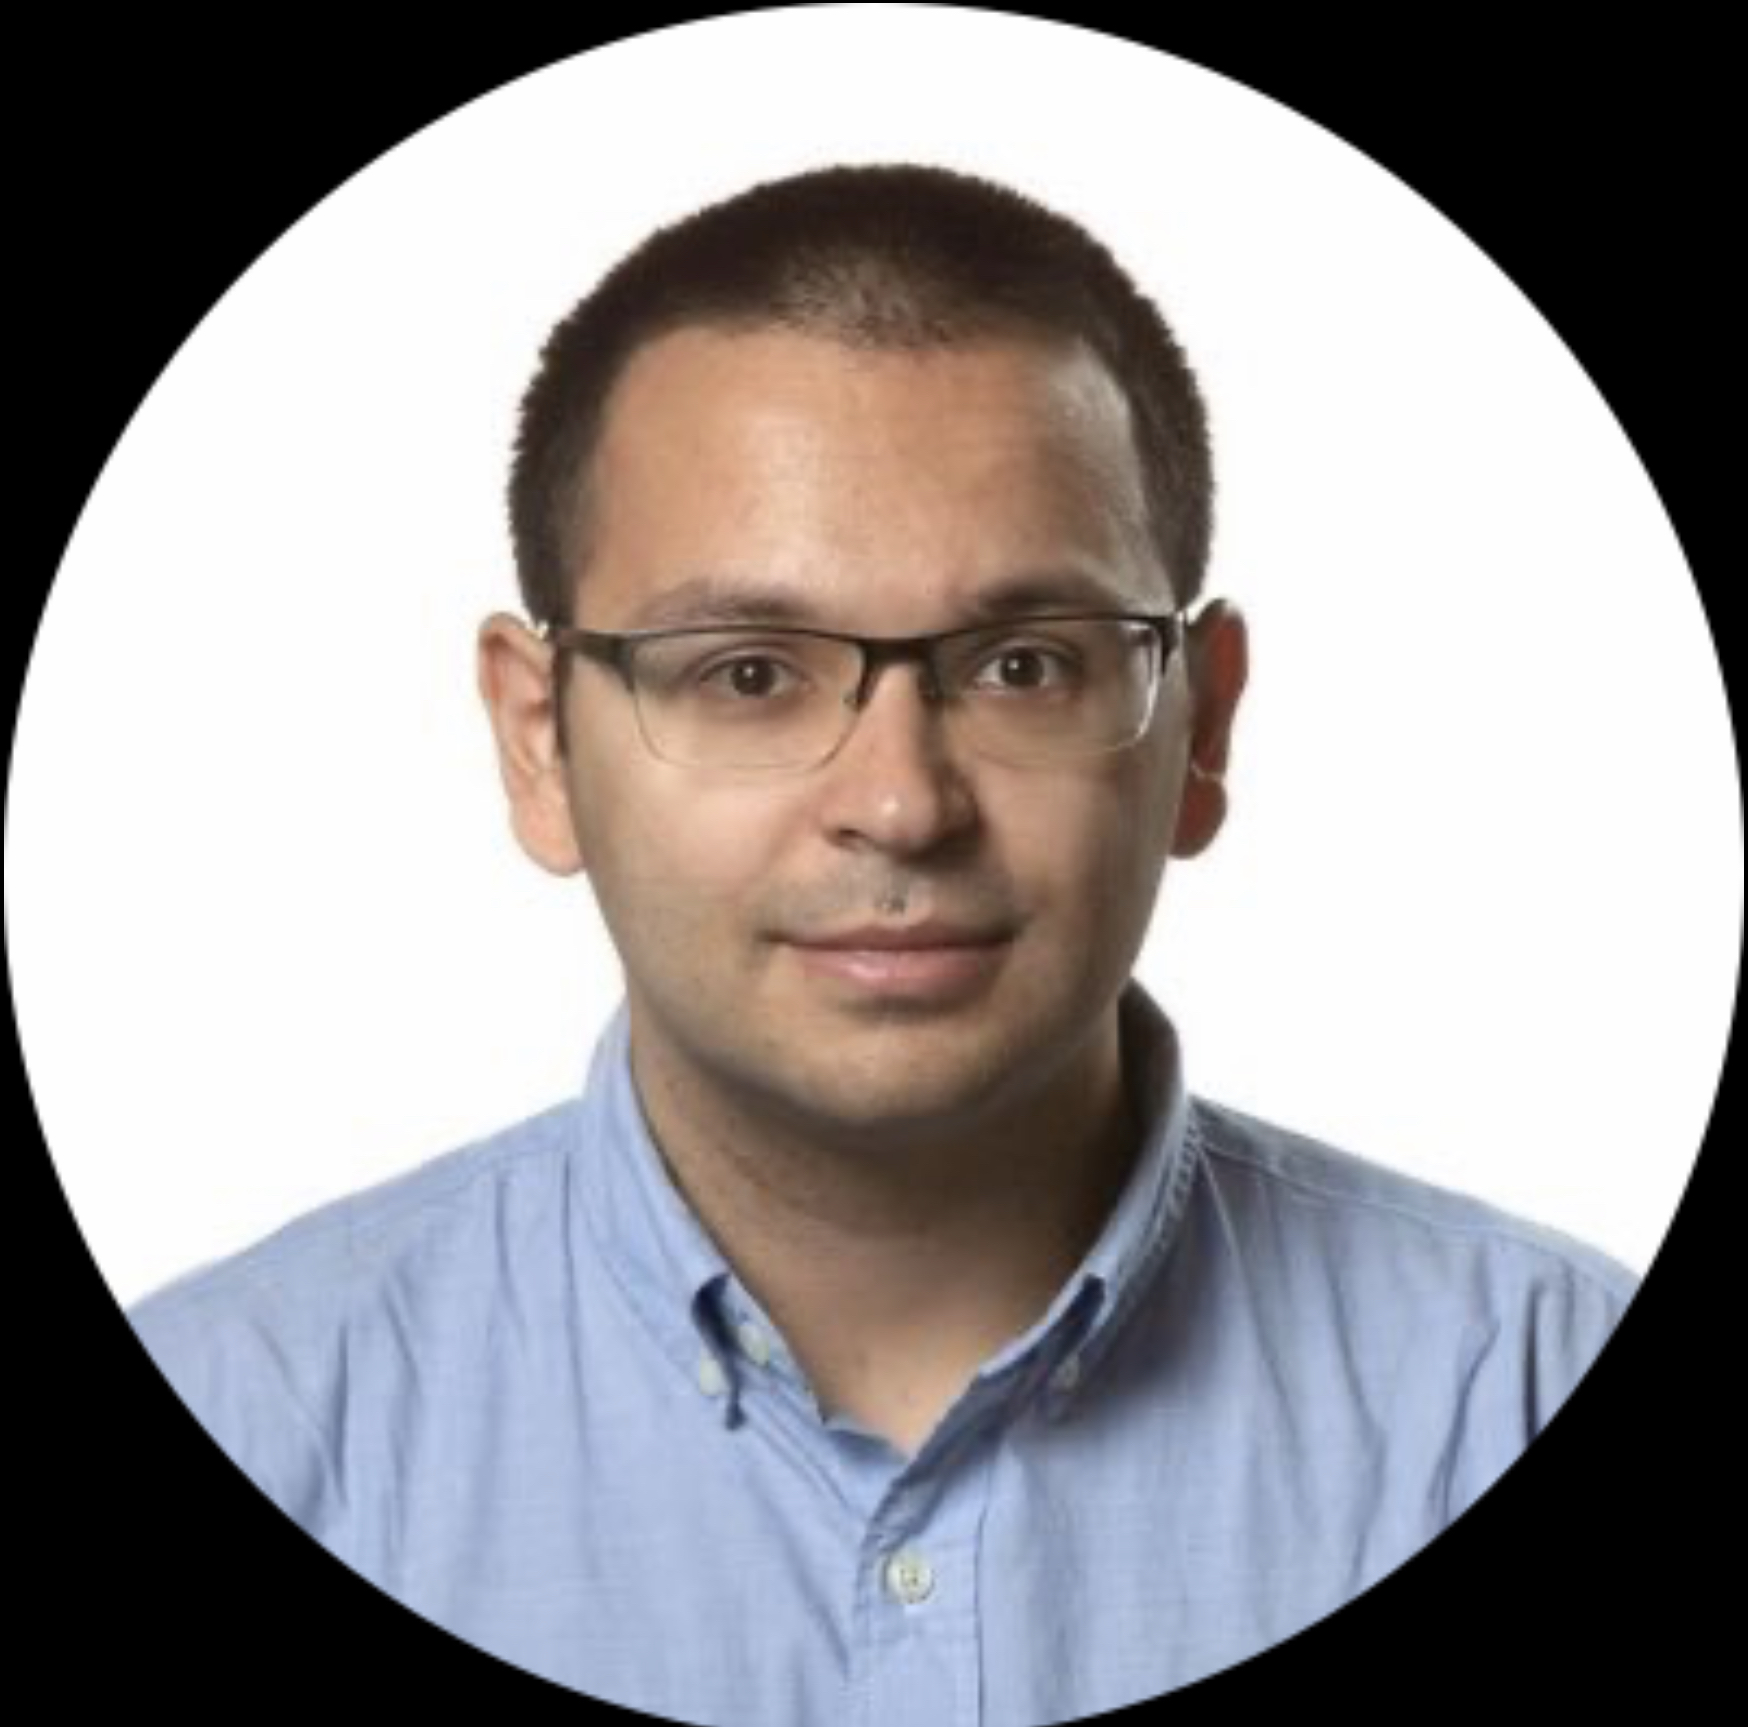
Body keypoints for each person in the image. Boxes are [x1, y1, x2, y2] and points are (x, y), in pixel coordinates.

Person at [127, 163, 1639, 1720]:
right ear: (538, 743)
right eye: (749, 674)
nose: (902, 806)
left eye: (1026, 664)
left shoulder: (1524, 1393)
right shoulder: (250, 1426)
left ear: (1202, 729)